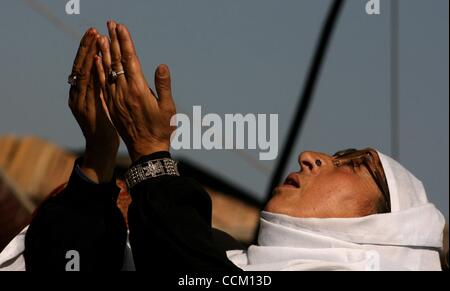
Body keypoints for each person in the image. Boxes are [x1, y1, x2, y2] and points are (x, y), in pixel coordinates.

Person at [0, 22, 446, 271]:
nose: (312, 156)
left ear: (382, 234)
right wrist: (98, 160)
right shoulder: (217, 250)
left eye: (354, 166)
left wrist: (152, 156)